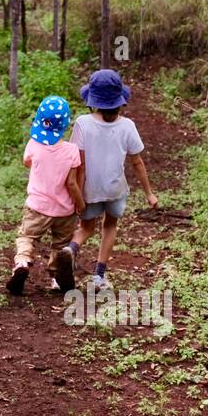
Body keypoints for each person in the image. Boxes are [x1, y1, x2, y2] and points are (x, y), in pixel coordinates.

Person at [69, 69, 158, 291]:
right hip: (115, 189)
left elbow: (77, 162)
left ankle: (70, 249)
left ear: (93, 101)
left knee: (86, 227)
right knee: (110, 225)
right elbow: (137, 162)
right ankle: (99, 276)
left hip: (89, 189)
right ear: (120, 101)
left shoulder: (82, 123)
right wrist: (149, 193)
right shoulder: (127, 126)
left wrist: (76, 194)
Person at [7, 96, 85, 296]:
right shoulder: (71, 150)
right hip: (64, 210)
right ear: (65, 124)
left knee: (27, 236)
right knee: (60, 244)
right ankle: (58, 276)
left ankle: (22, 262)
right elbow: (71, 183)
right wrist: (80, 204)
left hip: (37, 206)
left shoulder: (34, 144)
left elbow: (27, 162)